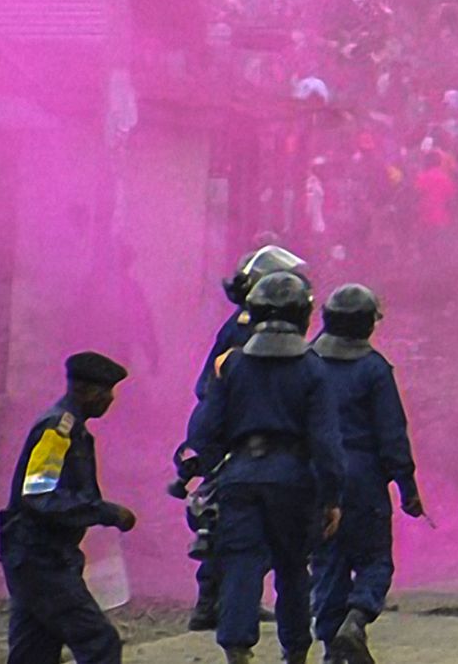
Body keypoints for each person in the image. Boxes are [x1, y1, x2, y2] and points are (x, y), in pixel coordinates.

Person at [186, 273, 345, 664]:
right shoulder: (313, 368)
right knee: (292, 568)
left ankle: (237, 647)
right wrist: (332, 497)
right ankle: (295, 651)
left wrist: (210, 470)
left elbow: (203, 430)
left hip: (239, 477)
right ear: (304, 313)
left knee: (241, 562)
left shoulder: (233, 365)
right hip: (293, 480)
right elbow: (325, 442)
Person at [191, 246, 310, 630]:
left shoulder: (241, 325)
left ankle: (221, 602)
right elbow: (219, 385)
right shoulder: (246, 329)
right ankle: (214, 602)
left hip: (229, 429)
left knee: (228, 519)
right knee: (229, 523)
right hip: (235, 435)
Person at [0, 354, 136, 664]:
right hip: (40, 559)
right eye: (105, 392)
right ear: (83, 390)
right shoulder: (57, 430)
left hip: (35, 557)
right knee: (100, 642)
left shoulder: (73, 429)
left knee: (34, 652)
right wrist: (106, 512)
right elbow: (39, 495)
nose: (110, 399)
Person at [310, 285, 424, 664]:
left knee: (327, 564)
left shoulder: (308, 362)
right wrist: (407, 487)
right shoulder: (374, 369)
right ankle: (356, 620)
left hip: (317, 477)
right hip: (363, 479)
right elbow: (392, 434)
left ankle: (331, 649)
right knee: (375, 560)